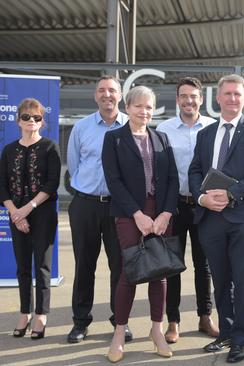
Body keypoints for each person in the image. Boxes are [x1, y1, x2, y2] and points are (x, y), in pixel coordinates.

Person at [188, 74, 244, 363]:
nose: (233, 98)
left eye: (238, 94)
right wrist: (202, 198)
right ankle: (224, 333)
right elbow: (195, 170)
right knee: (221, 280)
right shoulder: (205, 133)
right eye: (228, 94)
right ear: (218, 97)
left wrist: (231, 194)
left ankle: (240, 340)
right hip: (210, 218)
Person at [102, 86, 179, 362]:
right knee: (129, 272)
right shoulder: (114, 139)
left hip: (159, 215)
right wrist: (137, 214)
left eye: (149, 107)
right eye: (139, 106)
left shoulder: (162, 138)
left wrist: (166, 214)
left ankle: (157, 330)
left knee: (159, 272)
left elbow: (172, 180)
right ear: (128, 107)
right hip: (129, 214)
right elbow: (114, 181)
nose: (144, 111)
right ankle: (119, 333)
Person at [66, 75, 131, 343]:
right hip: (86, 205)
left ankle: (120, 322)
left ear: (120, 95)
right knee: (84, 266)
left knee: (121, 267)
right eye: (102, 90)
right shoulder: (81, 128)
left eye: (112, 90)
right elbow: (73, 165)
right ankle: (80, 322)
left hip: (119, 208)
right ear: (95, 96)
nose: (107, 95)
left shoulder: (131, 126)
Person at [156, 77, 219, 343]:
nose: (189, 101)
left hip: (205, 206)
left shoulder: (214, 127)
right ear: (177, 99)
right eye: (184, 96)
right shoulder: (164, 128)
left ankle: (205, 317)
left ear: (201, 99)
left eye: (193, 96)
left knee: (203, 265)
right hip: (175, 205)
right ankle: (173, 321)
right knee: (173, 265)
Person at [0, 98, 61, 340]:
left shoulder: (49, 147)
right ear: (18, 120)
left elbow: (52, 183)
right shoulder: (9, 150)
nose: (31, 121)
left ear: (42, 121)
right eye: (26, 117)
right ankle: (24, 312)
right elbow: (2, 186)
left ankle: (41, 315)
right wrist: (15, 212)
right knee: (23, 268)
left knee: (43, 268)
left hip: (43, 214)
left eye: (36, 118)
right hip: (15, 215)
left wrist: (27, 208)